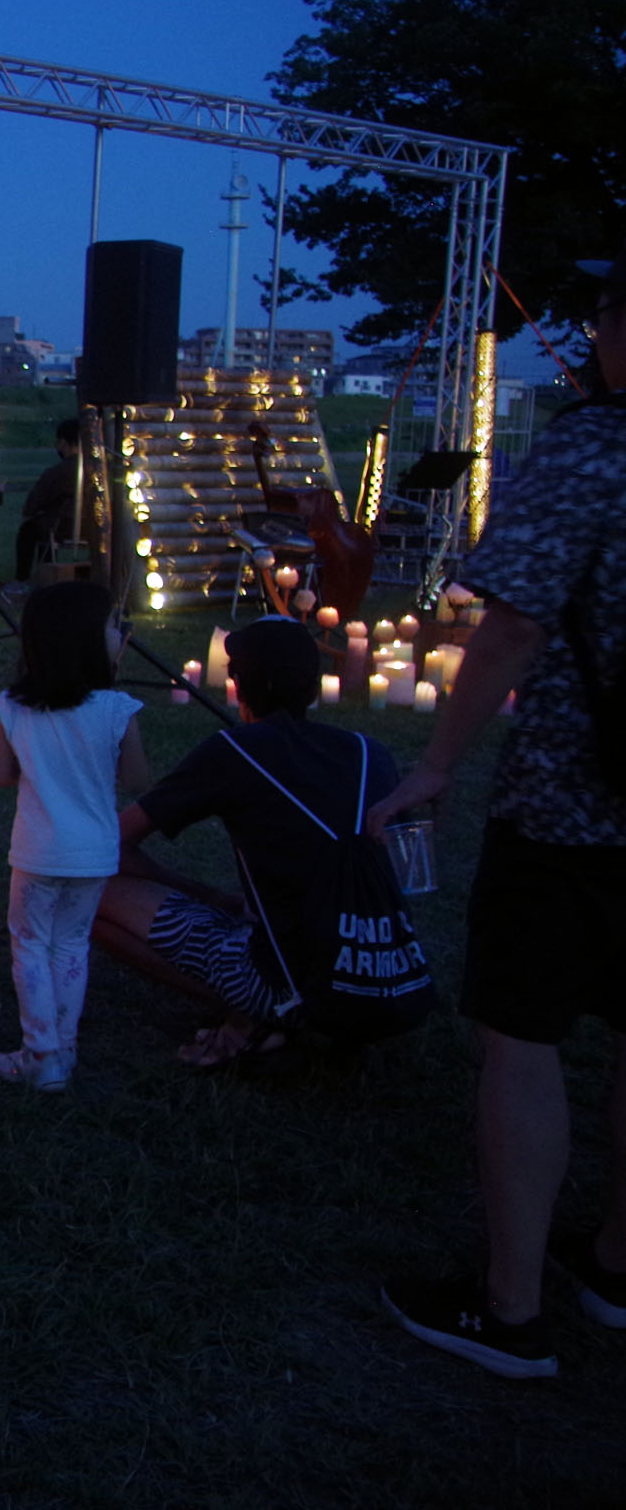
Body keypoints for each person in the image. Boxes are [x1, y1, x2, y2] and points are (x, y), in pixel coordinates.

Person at [375, 250, 626, 1380]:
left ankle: (510, 1307)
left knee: (520, 1039)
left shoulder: (593, 449)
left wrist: (437, 761)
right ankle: (617, 1267)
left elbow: (512, 625)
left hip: (576, 806)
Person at [94, 615, 425, 1067]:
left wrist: (207, 895)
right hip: (389, 975)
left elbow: (107, 848)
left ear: (239, 684)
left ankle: (257, 1015)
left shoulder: (237, 751)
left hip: (293, 982)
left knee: (87, 892)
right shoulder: (372, 753)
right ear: (312, 688)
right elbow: (408, 871)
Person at [0, 581, 146, 1089]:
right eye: (112, 628)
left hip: (37, 853)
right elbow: (138, 779)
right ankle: (64, 1046)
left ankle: (41, 1053)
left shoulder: (15, 706)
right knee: (72, 945)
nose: (120, 634)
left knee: (30, 945)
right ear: (87, 642)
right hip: (94, 854)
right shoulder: (118, 709)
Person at [14, 418, 88, 581]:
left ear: (63, 442)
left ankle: (23, 579)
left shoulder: (58, 472)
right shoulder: (96, 471)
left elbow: (32, 505)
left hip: (62, 527)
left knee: (30, 530)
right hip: (91, 529)